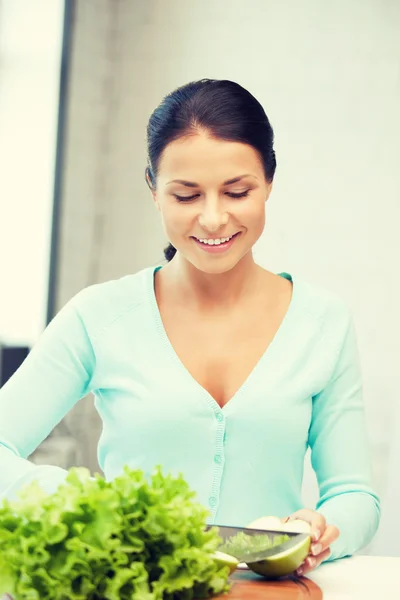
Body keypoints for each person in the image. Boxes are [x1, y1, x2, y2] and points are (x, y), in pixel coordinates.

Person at [0, 79, 380, 577]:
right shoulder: (100, 315)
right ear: (154, 191)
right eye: (186, 195)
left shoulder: (322, 322)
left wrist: (323, 527)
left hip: (265, 590)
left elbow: (356, 495)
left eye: (237, 191)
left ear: (269, 183)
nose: (214, 218)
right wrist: (90, 503)